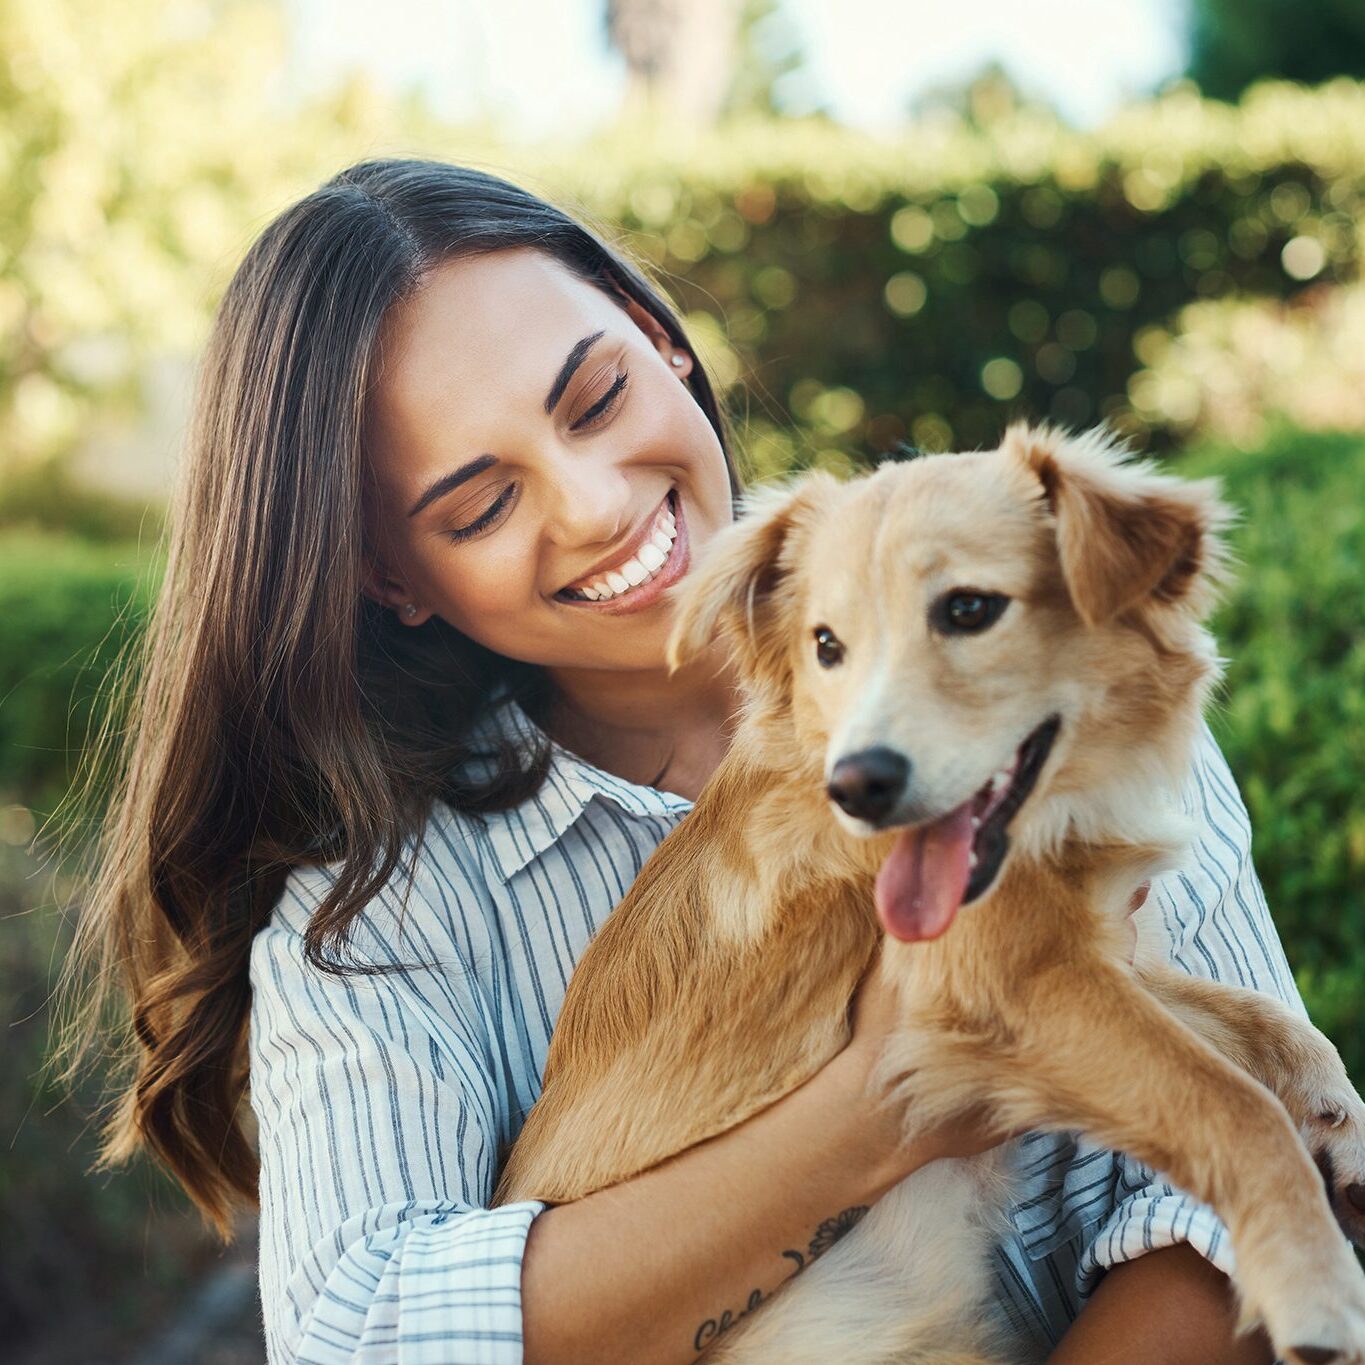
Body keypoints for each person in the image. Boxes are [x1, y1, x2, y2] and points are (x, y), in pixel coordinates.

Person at [70, 158, 1299, 1364]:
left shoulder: (1053, 678)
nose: (596, 505)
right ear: (392, 580)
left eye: (595, 400)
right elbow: (363, 1335)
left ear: (664, 341)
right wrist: (875, 1106)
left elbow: (1242, 1220)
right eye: (479, 506)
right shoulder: (379, 920)